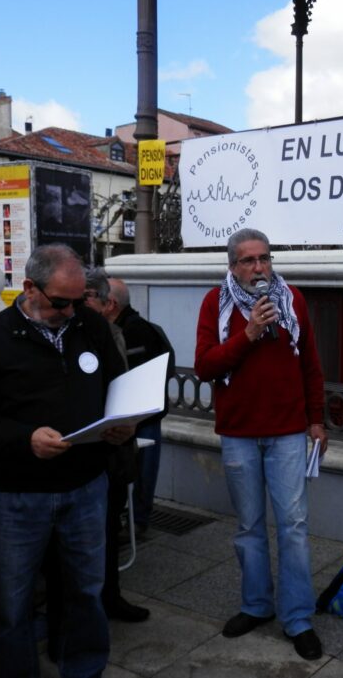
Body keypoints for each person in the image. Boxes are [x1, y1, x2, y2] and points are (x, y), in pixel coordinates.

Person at [0, 244, 134, 678]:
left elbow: (118, 385)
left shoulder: (90, 325)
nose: (72, 311)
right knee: (14, 604)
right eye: (61, 302)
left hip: (86, 486)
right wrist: (24, 438)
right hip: (18, 495)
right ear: (29, 289)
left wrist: (123, 424)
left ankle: (83, 669)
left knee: (85, 593)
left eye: (79, 299)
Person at [194, 228, 327, 661]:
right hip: (238, 434)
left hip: (289, 431)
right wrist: (248, 333)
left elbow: (311, 364)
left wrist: (317, 420)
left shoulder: (293, 301)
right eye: (249, 260)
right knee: (249, 526)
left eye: (264, 259)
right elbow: (205, 367)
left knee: (293, 526)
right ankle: (256, 605)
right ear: (232, 266)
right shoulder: (216, 304)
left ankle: (298, 617)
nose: (259, 268)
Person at [80, 269, 151, 623]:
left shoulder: (115, 334)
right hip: (67, 455)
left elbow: (131, 386)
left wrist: (131, 421)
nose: (78, 305)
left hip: (108, 454)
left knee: (107, 531)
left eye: (85, 297)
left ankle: (110, 597)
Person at [106, 277, 175, 536]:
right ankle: (134, 520)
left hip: (139, 418)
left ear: (110, 304)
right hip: (140, 415)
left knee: (140, 471)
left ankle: (137, 522)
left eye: (94, 296)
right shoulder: (133, 326)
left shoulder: (133, 330)